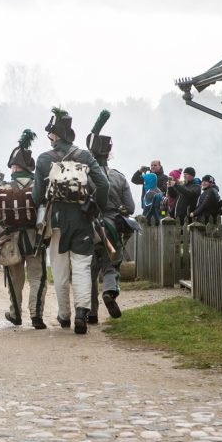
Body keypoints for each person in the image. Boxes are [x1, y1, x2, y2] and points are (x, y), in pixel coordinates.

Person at [33, 108, 108, 334]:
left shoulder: (44, 159)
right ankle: (82, 312)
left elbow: (37, 196)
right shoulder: (84, 156)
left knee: (60, 269)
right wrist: (96, 208)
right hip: (83, 218)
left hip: (56, 220)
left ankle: (64, 315)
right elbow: (103, 184)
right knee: (83, 267)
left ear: (54, 136)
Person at [0, 129, 47, 329]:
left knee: (15, 279)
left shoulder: (2, 188)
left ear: (15, 166)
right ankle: (36, 316)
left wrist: (1, 233)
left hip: (11, 238)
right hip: (34, 237)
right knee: (37, 277)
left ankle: (16, 314)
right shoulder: (38, 186)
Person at [85, 123, 134, 324]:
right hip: (112, 226)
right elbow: (130, 207)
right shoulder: (119, 177)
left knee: (89, 271)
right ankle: (109, 291)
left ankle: (92, 313)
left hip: (88, 226)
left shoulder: (84, 176)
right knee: (110, 267)